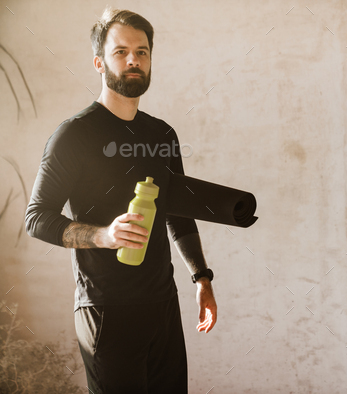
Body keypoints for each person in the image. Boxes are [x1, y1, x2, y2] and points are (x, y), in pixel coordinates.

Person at [24, 6, 217, 393]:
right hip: (105, 310)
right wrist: (104, 236)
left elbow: (177, 214)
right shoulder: (73, 136)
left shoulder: (162, 135)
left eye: (142, 51)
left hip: (162, 305)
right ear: (99, 62)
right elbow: (37, 218)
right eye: (121, 51)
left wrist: (201, 277)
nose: (133, 59)